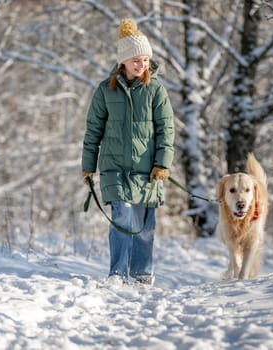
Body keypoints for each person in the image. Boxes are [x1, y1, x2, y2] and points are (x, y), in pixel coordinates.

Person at [81, 18, 175, 286]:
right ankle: (118, 274)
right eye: (136, 59)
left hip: (148, 171)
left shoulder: (156, 90)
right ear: (122, 61)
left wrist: (162, 163)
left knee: (144, 226)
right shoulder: (104, 91)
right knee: (121, 218)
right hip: (114, 168)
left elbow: (167, 130)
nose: (141, 64)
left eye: (145, 59)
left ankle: (142, 274)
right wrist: (88, 167)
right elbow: (92, 132)